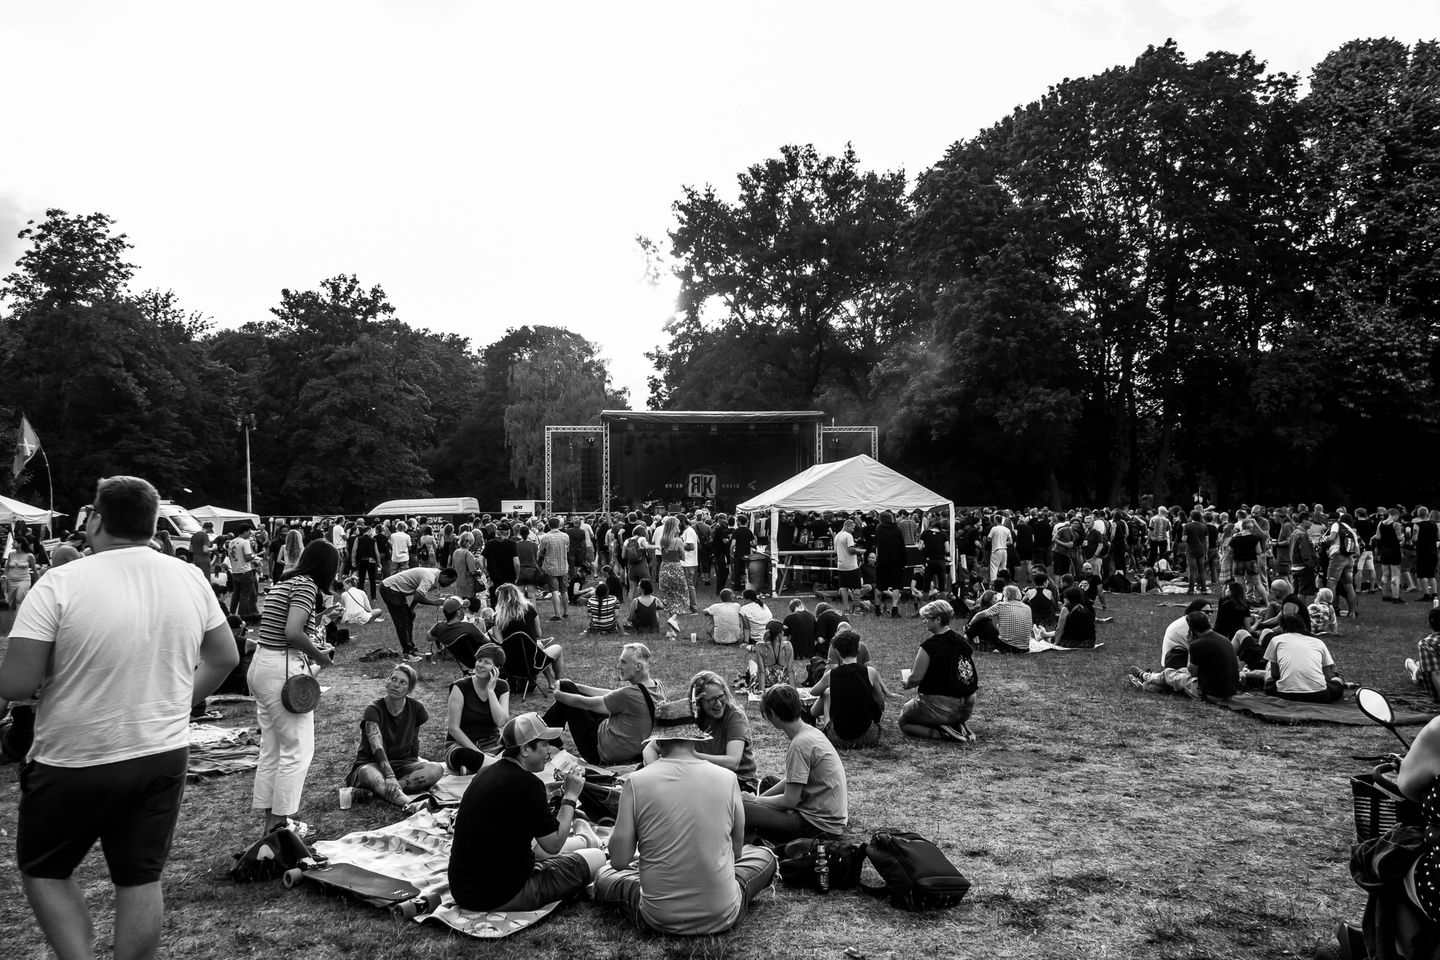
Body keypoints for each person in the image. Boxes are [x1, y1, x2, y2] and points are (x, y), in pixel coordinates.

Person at [0, 476, 239, 960]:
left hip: (75, 754)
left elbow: (16, 685)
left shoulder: (60, 581)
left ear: (95, 519)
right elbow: (224, 657)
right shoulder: (188, 575)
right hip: (161, 752)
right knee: (139, 877)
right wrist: (176, 704)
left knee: (45, 868)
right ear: (152, 523)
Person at [595, 699, 777, 935]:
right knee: (763, 855)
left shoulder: (636, 782)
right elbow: (737, 852)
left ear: (657, 740)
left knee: (604, 874)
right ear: (695, 737)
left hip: (657, 915)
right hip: (722, 911)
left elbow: (619, 861)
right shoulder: (727, 778)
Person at [448, 713, 605, 912]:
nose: (550, 751)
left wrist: (547, 793)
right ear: (525, 750)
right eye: (545, 745)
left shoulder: (488, 773)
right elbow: (553, 845)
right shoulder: (528, 785)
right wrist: (571, 796)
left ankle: (583, 840)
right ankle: (586, 841)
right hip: (503, 894)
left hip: (463, 890)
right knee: (597, 858)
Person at [249, 539, 338, 834]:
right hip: (281, 667)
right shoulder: (307, 586)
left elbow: (284, 625)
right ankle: (280, 826)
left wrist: (322, 620)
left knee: (272, 747)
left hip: (263, 664)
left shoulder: (286, 582)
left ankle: (271, 824)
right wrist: (319, 657)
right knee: (298, 749)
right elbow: (292, 631)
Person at [741, 684, 848, 845]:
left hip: (818, 827)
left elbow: (789, 801)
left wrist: (754, 802)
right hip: (827, 817)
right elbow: (793, 780)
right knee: (769, 782)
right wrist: (759, 799)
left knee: (743, 809)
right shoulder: (810, 732)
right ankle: (761, 839)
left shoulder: (800, 745)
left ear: (772, 715)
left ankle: (755, 851)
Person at [542, 642, 663, 766]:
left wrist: (558, 694)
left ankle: (542, 736)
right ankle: (547, 735)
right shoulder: (657, 686)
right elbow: (612, 695)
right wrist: (578, 687)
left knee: (566, 687)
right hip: (627, 746)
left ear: (638, 667)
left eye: (623, 662)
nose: (618, 666)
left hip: (597, 750)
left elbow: (586, 703)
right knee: (569, 687)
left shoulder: (628, 695)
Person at [344, 663, 445, 807]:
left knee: (437, 768)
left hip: (402, 764)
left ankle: (380, 792)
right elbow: (377, 747)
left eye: (402, 682)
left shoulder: (417, 708)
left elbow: (414, 741)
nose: (396, 685)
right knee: (367, 773)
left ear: (409, 689)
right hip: (374, 764)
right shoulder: (373, 709)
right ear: (387, 682)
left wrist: (415, 764)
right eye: (393, 679)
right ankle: (413, 805)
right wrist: (389, 776)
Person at [899, 601, 978, 742]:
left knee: (904, 719)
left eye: (927, 618)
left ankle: (941, 733)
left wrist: (907, 683)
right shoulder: (962, 642)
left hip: (942, 706)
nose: (924, 621)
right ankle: (956, 723)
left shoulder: (929, 646)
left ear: (938, 620)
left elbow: (916, 678)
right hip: (968, 704)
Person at [1127, 610, 1240, 700]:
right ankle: (1150, 683)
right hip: (1230, 690)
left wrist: (1190, 645)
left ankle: (1145, 676)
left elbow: (1192, 671)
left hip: (1208, 692)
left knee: (1169, 673)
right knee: (1177, 673)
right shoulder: (1224, 639)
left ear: (1192, 629)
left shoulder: (1197, 644)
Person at [809, 630, 886, 749]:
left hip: (838, 738)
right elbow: (879, 700)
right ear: (858, 649)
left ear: (838, 652)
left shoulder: (831, 675)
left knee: (827, 693)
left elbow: (813, 692)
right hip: (869, 736)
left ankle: (820, 723)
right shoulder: (871, 672)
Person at [685, 670, 758, 793]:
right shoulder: (690, 716)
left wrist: (691, 755)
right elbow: (652, 748)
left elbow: (732, 762)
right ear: (698, 702)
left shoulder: (735, 716)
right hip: (704, 777)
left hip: (739, 781)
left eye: (721, 696)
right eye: (711, 700)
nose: (718, 704)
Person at [444, 643, 510, 773]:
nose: (480, 665)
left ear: (496, 668)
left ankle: (480, 767)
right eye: (479, 660)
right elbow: (453, 729)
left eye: (487, 662)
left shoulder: (502, 687)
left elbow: (501, 721)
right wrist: (480, 754)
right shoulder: (460, 686)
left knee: (520, 745)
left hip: (492, 744)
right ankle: (495, 766)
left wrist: (491, 691)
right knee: (462, 756)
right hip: (462, 746)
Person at [491, 583, 566, 685]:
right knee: (557, 648)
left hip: (510, 664)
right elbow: (538, 632)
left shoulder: (497, 617)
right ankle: (558, 683)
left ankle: (551, 681)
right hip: (532, 662)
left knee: (539, 645)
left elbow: (499, 643)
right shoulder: (530, 609)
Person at [379, 564, 458, 660]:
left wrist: (411, 609)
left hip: (396, 590)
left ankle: (411, 648)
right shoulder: (430, 577)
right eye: (449, 582)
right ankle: (408, 653)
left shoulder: (435, 574)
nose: (448, 585)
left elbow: (418, 593)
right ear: (444, 576)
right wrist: (436, 603)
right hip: (390, 589)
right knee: (402, 622)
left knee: (409, 616)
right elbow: (418, 597)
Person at [1263, 615, 1344, 703]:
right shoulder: (1318, 642)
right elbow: (1328, 676)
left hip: (1285, 694)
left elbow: (1275, 674)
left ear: (1282, 628)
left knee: (1268, 676)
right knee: (1337, 681)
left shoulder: (1276, 640)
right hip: (1320, 695)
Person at [967, 584, 1033, 654]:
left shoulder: (1001, 605)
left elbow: (979, 615)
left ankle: (966, 638)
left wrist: (970, 624)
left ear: (1006, 595)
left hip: (1007, 647)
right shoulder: (1027, 608)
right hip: (1024, 647)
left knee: (982, 620)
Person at [429, 596, 488, 671]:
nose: (465, 610)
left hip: (467, 661)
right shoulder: (469, 627)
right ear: (458, 613)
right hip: (482, 659)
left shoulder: (439, 627)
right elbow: (489, 642)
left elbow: (429, 637)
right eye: (463, 608)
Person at [537, 516, 573, 621]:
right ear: (559, 525)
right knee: (564, 590)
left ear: (548, 525)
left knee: (554, 591)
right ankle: (566, 612)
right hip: (563, 566)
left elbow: (541, 552)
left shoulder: (545, 537)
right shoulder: (565, 536)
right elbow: (567, 549)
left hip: (551, 567)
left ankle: (557, 614)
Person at [1405, 607, 1440, 702]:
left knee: (1423, 670)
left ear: (1429, 624)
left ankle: (1414, 668)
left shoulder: (1427, 644)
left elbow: (1435, 674)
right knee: (1425, 666)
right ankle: (1414, 667)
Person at [747, 619, 794, 691]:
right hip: (782, 682)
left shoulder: (760, 646)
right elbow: (790, 670)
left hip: (767, 682)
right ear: (780, 634)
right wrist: (793, 690)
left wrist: (761, 691)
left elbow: (761, 671)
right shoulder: (788, 645)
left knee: (751, 663)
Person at [226, 526, 261, 619]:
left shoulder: (231, 542)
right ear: (244, 532)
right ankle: (243, 616)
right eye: (249, 532)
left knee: (237, 594)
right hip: (245, 571)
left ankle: (232, 613)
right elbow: (248, 557)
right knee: (245, 595)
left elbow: (230, 557)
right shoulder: (245, 542)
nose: (250, 534)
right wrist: (255, 557)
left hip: (235, 571)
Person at [3, 538, 38, 612]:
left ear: (20, 544)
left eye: (14, 542)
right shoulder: (11, 554)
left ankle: (19, 619)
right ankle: (16, 617)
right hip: (11, 581)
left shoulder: (29, 555)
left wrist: (38, 581)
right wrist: (4, 576)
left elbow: (34, 570)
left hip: (24, 580)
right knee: (11, 604)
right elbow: (7, 568)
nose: (12, 544)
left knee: (19, 598)